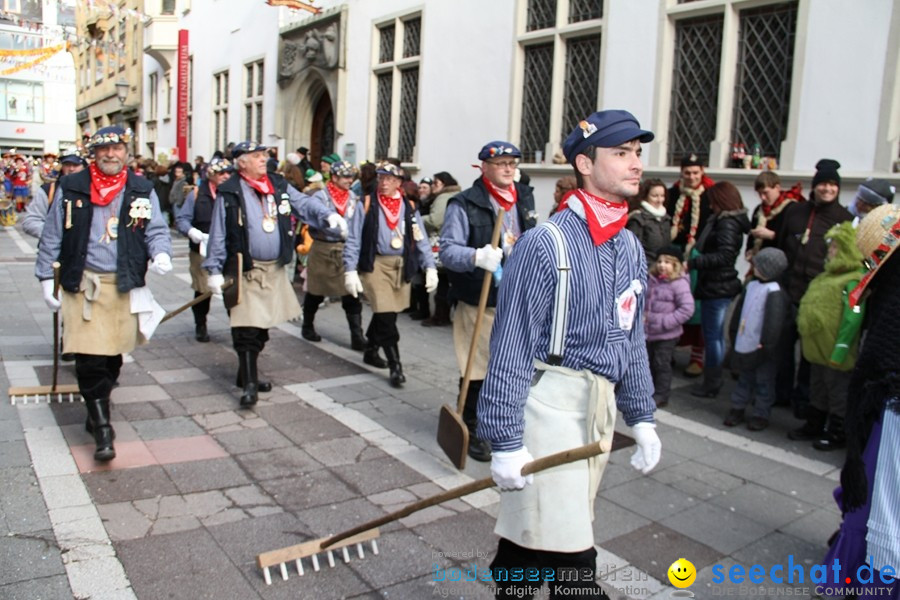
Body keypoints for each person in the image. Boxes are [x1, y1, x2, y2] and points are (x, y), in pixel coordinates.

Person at [478, 110, 661, 599]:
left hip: (595, 411)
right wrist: (505, 440)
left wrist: (641, 416)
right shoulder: (544, 244)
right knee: (572, 557)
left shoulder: (628, 246)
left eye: (637, 153)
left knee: (536, 538)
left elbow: (631, 338)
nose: (635, 164)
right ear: (584, 162)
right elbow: (510, 348)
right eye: (621, 153)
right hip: (548, 409)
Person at [34, 126, 173, 462]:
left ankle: (96, 405)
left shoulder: (141, 189)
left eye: (118, 148)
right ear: (93, 153)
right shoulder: (71, 186)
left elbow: (155, 229)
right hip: (83, 284)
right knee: (88, 357)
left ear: (126, 152)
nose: (111, 154)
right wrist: (44, 277)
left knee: (112, 356)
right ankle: (103, 429)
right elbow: (52, 233)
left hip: (123, 283)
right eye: (104, 149)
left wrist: (161, 252)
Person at [204, 141, 347, 407]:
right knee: (245, 329)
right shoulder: (230, 191)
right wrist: (213, 269)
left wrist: (327, 215)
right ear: (241, 162)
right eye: (256, 156)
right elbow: (219, 233)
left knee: (261, 330)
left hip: (274, 269)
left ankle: (245, 373)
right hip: (245, 269)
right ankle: (249, 385)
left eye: (264, 155)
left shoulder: (278, 185)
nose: (263, 160)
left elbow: (303, 203)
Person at [440, 141, 538, 461]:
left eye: (512, 163)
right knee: (478, 365)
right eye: (500, 164)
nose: (508, 168)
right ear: (484, 167)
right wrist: (476, 256)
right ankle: (473, 424)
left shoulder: (522, 197)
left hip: (517, 295)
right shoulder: (465, 203)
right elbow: (448, 251)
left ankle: (500, 421)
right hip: (480, 298)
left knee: (509, 366)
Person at [823, 204, 900, 600]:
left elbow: (879, 361)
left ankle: (857, 577)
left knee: (875, 497)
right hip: (885, 404)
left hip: (889, 411)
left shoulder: (892, 286)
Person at [343, 163, 437, 387]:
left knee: (388, 312)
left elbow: (420, 237)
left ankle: (372, 350)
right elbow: (354, 238)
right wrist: (349, 269)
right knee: (386, 315)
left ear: (399, 182)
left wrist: (430, 266)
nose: (384, 183)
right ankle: (396, 366)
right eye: (381, 178)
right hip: (375, 264)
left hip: (400, 265)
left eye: (389, 179)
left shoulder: (409, 206)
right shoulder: (366, 203)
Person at [775, 159, 852, 416]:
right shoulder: (795, 211)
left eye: (832, 185)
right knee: (783, 346)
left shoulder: (844, 219)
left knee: (810, 353)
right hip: (790, 288)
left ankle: (806, 401)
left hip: (819, 296)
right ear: (815, 186)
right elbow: (779, 243)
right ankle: (781, 393)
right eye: (823, 184)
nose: (827, 189)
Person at [791, 222, 867, 449]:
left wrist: (842, 348)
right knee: (818, 387)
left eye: (835, 247)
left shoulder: (854, 279)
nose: (830, 251)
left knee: (837, 391)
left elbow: (853, 315)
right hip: (818, 349)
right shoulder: (825, 276)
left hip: (835, 349)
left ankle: (836, 432)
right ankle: (814, 424)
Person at [687, 181, 751, 398]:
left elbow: (725, 256)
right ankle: (712, 379)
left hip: (718, 286)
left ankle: (712, 382)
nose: (710, 205)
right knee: (713, 335)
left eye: (713, 201)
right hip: (715, 284)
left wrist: (695, 262)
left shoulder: (727, 223)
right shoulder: (722, 220)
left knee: (713, 337)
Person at [301, 160, 367, 352]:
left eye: (351, 176)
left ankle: (357, 335)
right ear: (335, 177)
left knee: (351, 294)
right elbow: (313, 215)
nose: (349, 180)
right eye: (345, 177)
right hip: (323, 248)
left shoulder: (354, 198)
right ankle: (307, 325)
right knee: (315, 291)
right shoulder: (321, 196)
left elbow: (359, 220)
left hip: (347, 249)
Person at [723, 248, 791, 431]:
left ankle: (761, 413)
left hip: (763, 348)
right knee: (744, 378)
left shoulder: (775, 292)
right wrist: (734, 331)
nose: (755, 268)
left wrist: (767, 345)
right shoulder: (751, 286)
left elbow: (774, 323)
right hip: (745, 341)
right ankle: (737, 407)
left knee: (764, 382)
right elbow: (739, 311)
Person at [175, 157, 234, 343]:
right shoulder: (196, 194)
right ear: (211, 175)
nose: (225, 176)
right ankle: (200, 324)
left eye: (228, 173)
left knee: (232, 290)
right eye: (221, 173)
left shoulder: (233, 193)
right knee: (202, 290)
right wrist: (192, 231)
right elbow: (182, 219)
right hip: (201, 248)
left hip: (228, 249)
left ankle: (237, 328)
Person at [666, 154, 714, 378]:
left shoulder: (711, 195)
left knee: (694, 306)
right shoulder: (673, 193)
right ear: (681, 173)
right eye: (687, 173)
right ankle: (670, 349)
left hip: (697, 258)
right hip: (674, 255)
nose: (692, 177)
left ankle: (697, 356)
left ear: (702, 172)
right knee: (668, 303)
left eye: (696, 172)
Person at [644, 245, 694, 408]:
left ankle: (661, 394)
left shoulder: (678, 284)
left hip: (666, 334)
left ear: (676, 265)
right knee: (647, 362)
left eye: (667, 262)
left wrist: (665, 322)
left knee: (661, 364)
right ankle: (646, 390)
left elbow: (687, 309)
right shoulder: (652, 280)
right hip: (648, 331)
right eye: (659, 261)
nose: (661, 265)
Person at [421, 172, 460, 327]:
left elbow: (436, 220)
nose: (432, 186)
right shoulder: (456, 194)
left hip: (441, 241)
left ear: (444, 184)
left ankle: (440, 315)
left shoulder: (444, 197)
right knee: (449, 282)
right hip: (455, 242)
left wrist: (417, 218)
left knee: (442, 283)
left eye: (435, 183)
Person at [22, 148, 87, 240]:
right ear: (62, 167)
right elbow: (30, 222)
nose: (71, 169)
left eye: (76, 165)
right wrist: (54, 234)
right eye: (67, 165)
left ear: (84, 166)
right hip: (55, 250)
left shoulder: (94, 190)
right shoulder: (48, 190)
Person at [746, 171, 803, 259]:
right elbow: (751, 237)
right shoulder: (758, 209)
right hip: (760, 263)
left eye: (765, 193)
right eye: (759, 193)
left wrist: (772, 235)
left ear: (777, 188)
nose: (762, 198)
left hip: (782, 263)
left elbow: (797, 238)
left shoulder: (793, 209)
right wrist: (749, 251)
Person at [626, 178, 671, 264]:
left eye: (662, 196)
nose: (659, 200)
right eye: (655, 196)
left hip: (662, 270)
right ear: (645, 196)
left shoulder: (666, 219)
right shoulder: (638, 219)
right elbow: (631, 250)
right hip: (645, 269)